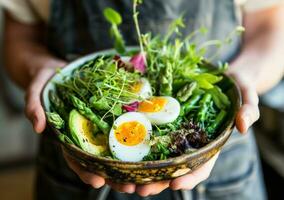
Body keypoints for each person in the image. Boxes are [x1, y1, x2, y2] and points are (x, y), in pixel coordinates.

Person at [1, 0, 284, 199]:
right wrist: (40, 70)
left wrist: (244, 76)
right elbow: (20, 34)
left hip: (223, 165)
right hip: (73, 170)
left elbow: (270, 25)